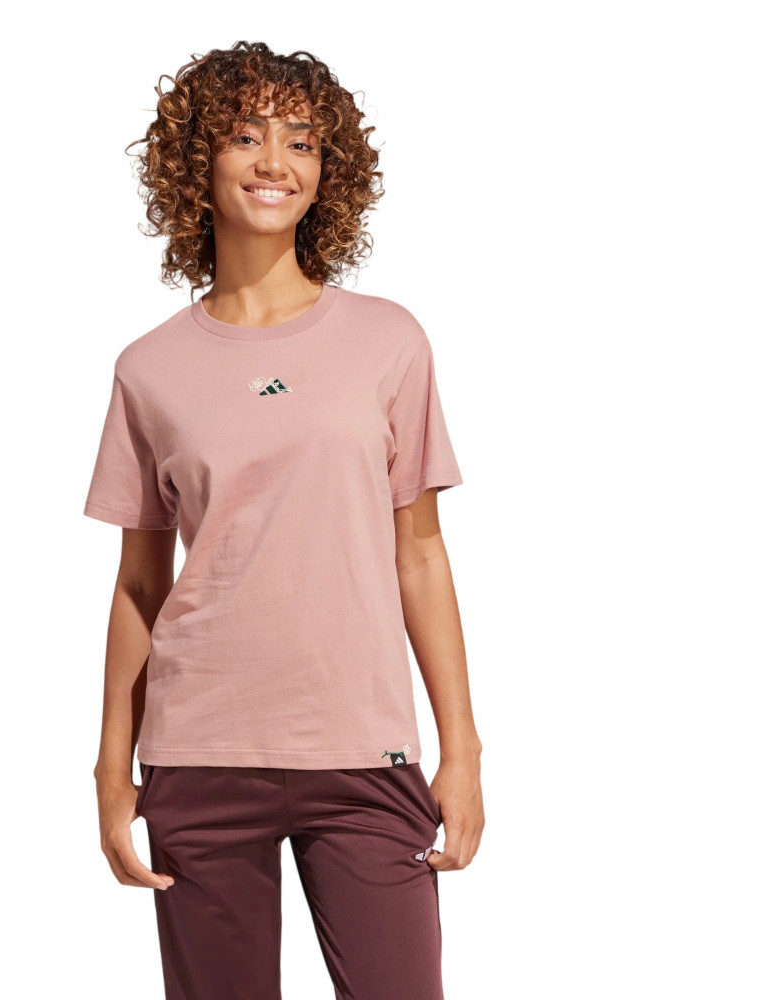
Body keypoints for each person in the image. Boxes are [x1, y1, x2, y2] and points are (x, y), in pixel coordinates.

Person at [84, 40, 484, 1000]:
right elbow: (140, 584)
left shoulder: (388, 339)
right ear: (197, 161)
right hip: (197, 754)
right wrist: (109, 769)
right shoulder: (149, 368)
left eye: (301, 141)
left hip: (364, 751)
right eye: (247, 136)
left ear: (327, 168)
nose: (276, 162)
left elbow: (421, 556)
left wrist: (463, 750)